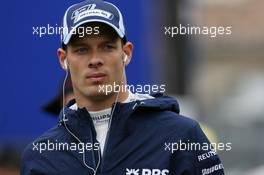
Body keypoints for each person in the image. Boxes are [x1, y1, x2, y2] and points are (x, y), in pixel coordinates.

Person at [21, 0, 225, 174]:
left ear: (126, 53)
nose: (95, 60)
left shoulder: (182, 135)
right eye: (82, 49)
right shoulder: (40, 155)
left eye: (107, 47)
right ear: (63, 59)